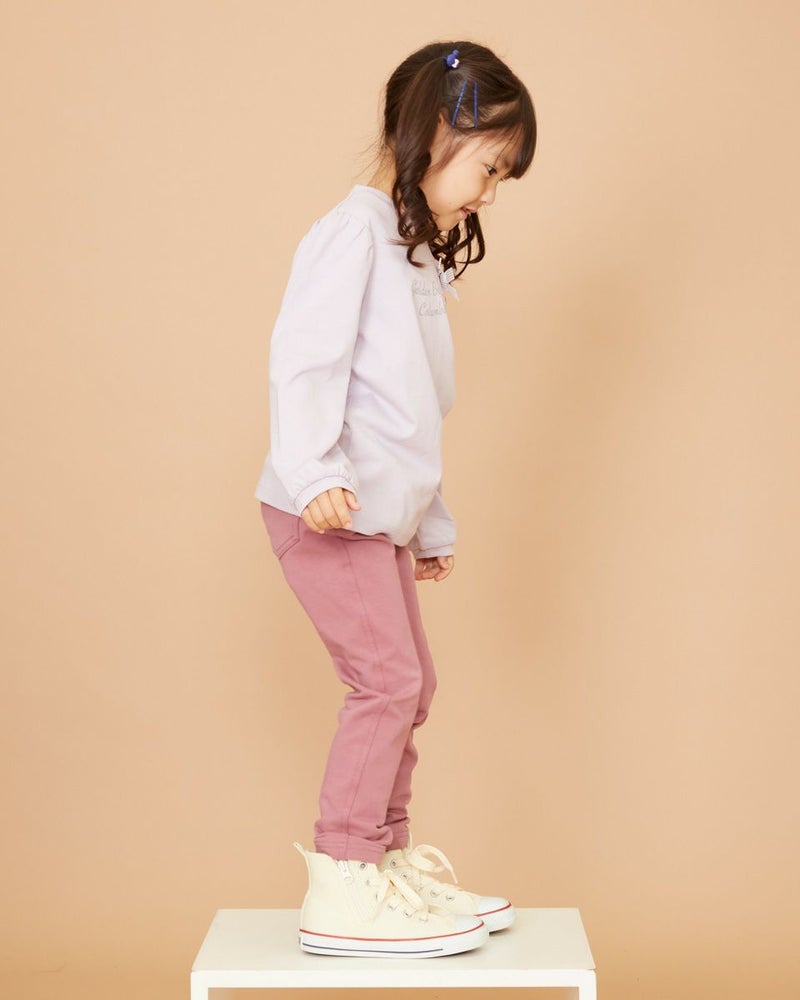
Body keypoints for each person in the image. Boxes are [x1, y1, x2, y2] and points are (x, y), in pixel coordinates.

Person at [255, 40, 537, 958]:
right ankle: (344, 875)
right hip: (327, 510)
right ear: (438, 130)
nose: (489, 193)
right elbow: (306, 361)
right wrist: (313, 473)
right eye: (490, 168)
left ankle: (383, 860)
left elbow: (409, 412)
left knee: (414, 685)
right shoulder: (353, 233)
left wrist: (430, 524)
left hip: (374, 517)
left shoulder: (409, 251)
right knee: (386, 682)